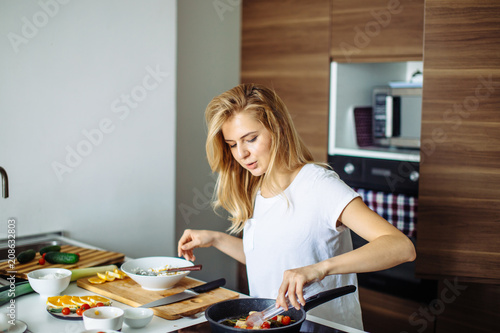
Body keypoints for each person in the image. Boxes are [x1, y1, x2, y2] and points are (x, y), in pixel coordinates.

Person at [177, 83, 416, 329]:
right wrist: (215, 239)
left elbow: (401, 247)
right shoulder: (259, 188)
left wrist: (319, 269)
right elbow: (270, 259)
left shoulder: (318, 184)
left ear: (277, 127)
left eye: (251, 139)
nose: (242, 154)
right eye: (232, 144)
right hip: (275, 325)